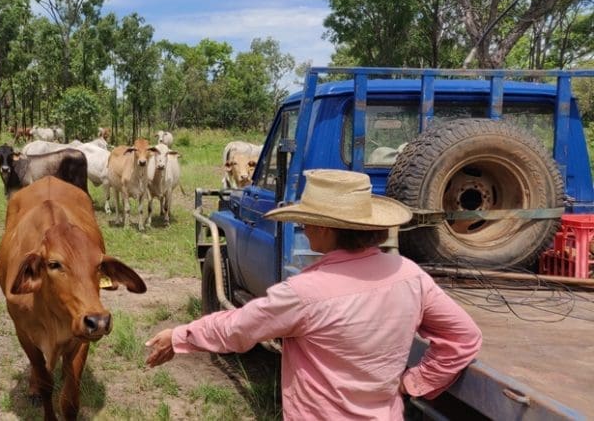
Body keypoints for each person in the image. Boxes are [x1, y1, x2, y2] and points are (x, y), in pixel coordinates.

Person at [145, 169, 482, 419]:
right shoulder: (409, 275)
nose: (303, 229)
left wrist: (180, 335)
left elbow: (238, 329)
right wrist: (413, 383)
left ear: (323, 228)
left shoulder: (304, 293)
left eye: (306, 222)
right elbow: (464, 337)